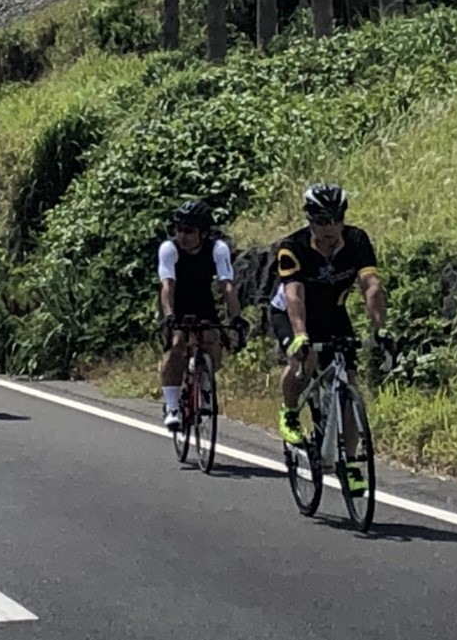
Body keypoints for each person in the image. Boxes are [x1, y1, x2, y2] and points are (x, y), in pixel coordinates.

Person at [272, 183, 391, 494]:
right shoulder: (293, 247)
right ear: (310, 219)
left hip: (333, 313)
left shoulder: (357, 240)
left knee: (350, 384)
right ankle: (289, 411)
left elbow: (371, 286)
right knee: (305, 360)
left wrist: (380, 329)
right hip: (292, 313)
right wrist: (300, 336)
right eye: (323, 220)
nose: (331, 227)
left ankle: (349, 463)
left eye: (337, 219)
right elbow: (294, 296)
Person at [158, 200, 245, 431]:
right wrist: (169, 316)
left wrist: (236, 317)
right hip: (176, 301)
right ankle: (172, 406)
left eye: (188, 231)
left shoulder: (218, 249)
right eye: (179, 230)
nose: (182, 236)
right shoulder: (169, 249)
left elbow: (227, 286)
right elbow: (167, 286)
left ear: (204, 233)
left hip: (202, 300)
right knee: (177, 344)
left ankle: (204, 381)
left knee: (212, 338)